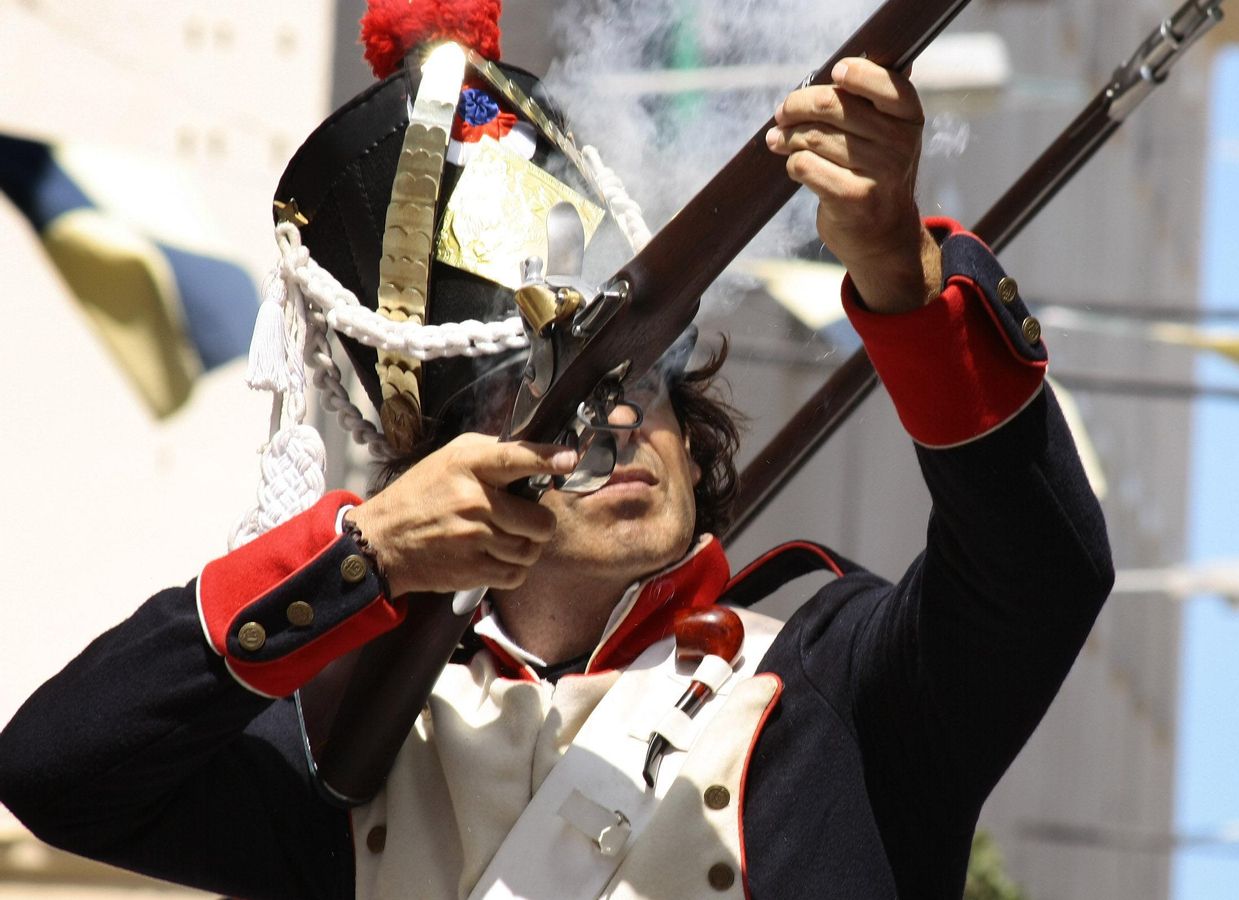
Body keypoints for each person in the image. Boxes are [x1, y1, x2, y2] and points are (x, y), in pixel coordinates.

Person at [0, 3, 1113, 898]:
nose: (623, 418)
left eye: (642, 377)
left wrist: (897, 277)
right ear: (450, 462)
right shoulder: (366, 741)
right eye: (568, 395)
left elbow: (1042, 572)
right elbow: (58, 769)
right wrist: (369, 553)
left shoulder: (838, 676)